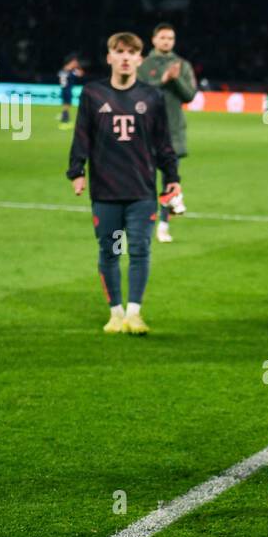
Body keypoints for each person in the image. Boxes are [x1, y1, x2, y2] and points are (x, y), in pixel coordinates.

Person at [66, 33, 180, 335]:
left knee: (141, 249)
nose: (126, 57)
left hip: (142, 191)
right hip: (105, 192)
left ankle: (135, 313)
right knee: (110, 251)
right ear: (109, 57)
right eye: (120, 51)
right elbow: (82, 136)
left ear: (140, 59)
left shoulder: (151, 97)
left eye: (132, 52)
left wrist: (173, 179)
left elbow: (163, 144)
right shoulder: (93, 94)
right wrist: (76, 171)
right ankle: (115, 313)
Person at [139, 25, 197, 243]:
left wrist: (175, 79)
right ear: (153, 40)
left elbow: (189, 95)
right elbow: (138, 93)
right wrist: (162, 80)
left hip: (172, 133)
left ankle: (163, 226)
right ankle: (141, 225)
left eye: (170, 38)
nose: (166, 41)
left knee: (170, 182)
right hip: (145, 132)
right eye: (162, 37)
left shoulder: (182, 65)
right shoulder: (143, 65)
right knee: (143, 182)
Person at [58, 55, 84, 131]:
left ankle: (65, 118)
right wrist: (78, 67)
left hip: (63, 89)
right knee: (67, 105)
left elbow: (60, 79)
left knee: (65, 104)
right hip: (67, 90)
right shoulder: (71, 71)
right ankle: (64, 121)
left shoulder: (63, 70)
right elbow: (81, 74)